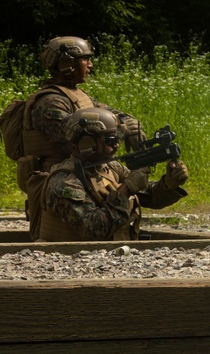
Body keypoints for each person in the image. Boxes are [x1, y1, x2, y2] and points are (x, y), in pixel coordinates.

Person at [15, 36, 145, 240]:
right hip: (62, 177)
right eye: (86, 59)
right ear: (68, 64)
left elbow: (111, 115)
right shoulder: (49, 103)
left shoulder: (78, 96)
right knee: (78, 231)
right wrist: (121, 130)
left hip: (88, 172)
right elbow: (80, 135)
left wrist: (130, 124)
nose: (90, 65)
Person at [37, 106, 188, 241]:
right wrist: (125, 190)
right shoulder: (64, 181)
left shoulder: (110, 168)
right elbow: (94, 229)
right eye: (110, 140)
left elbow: (149, 197)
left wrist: (169, 184)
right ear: (86, 142)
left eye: (118, 139)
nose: (117, 144)